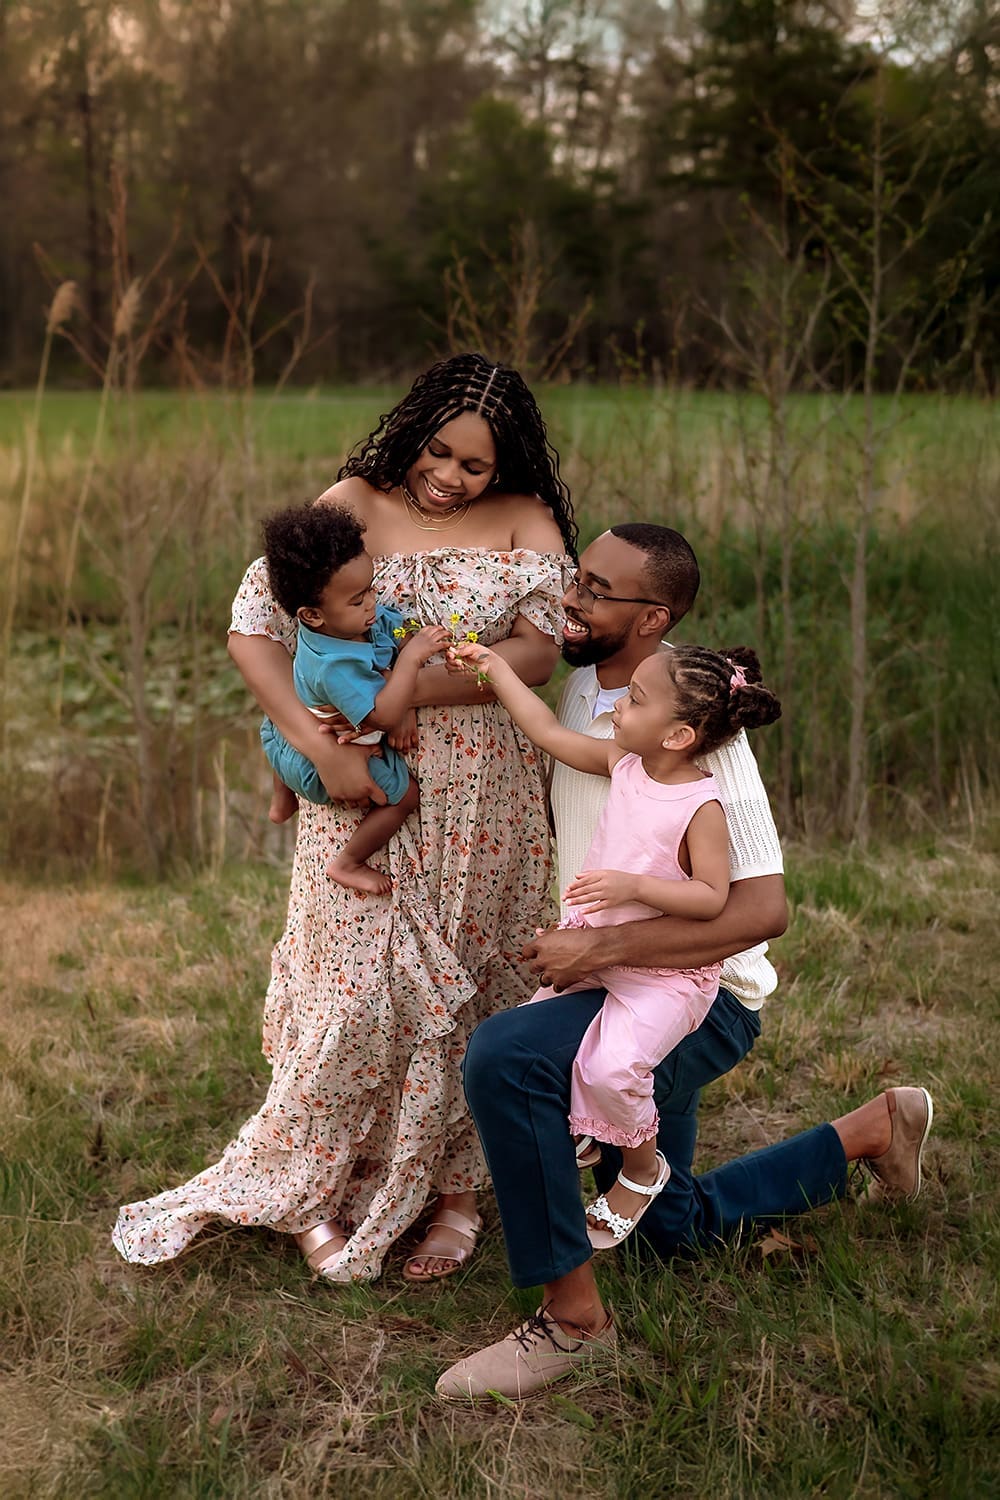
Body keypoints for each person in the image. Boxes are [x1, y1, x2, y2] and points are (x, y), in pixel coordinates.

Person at [436, 524, 934, 1400]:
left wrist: (602, 943)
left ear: (653, 615)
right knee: (673, 1237)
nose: (572, 599)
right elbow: (564, 761)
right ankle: (870, 1131)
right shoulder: (595, 691)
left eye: (595, 589)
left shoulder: (703, 740)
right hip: (614, 982)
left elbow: (760, 908)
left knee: (507, 1059)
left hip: (697, 997)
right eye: (576, 579)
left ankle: (572, 1323)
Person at [112, 353, 576, 1284]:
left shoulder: (528, 521)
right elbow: (256, 623)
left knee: (477, 984)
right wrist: (321, 748)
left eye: (473, 466)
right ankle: (313, 1186)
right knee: (349, 991)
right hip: (363, 783)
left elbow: (540, 649)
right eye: (437, 452)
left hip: (487, 788)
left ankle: (452, 1191)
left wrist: (415, 692)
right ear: (412, 436)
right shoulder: (353, 501)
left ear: (506, 464)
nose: (447, 477)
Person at [451, 634, 781, 1250]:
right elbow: (547, 732)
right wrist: (494, 668)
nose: (616, 709)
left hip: (664, 976)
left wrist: (635, 884)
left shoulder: (701, 803)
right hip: (598, 958)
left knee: (612, 1066)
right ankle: (590, 1129)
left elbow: (712, 898)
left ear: (678, 735)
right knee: (529, 1039)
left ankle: (641, 1169)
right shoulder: (623, 764)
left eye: (633, 700)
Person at [258, 501, 450, 895]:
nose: (372, 604)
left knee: (279, 721)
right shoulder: (335, 666)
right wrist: (410, 665)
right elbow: (382, 715)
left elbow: (400, 629)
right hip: (322, 763)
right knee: (404, 798)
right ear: (312, 615)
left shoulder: (353, 622)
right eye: (358, 599)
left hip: (284, 733)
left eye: (371, 589)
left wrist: (405, 646)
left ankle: (281, 799)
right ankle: (348, 862)